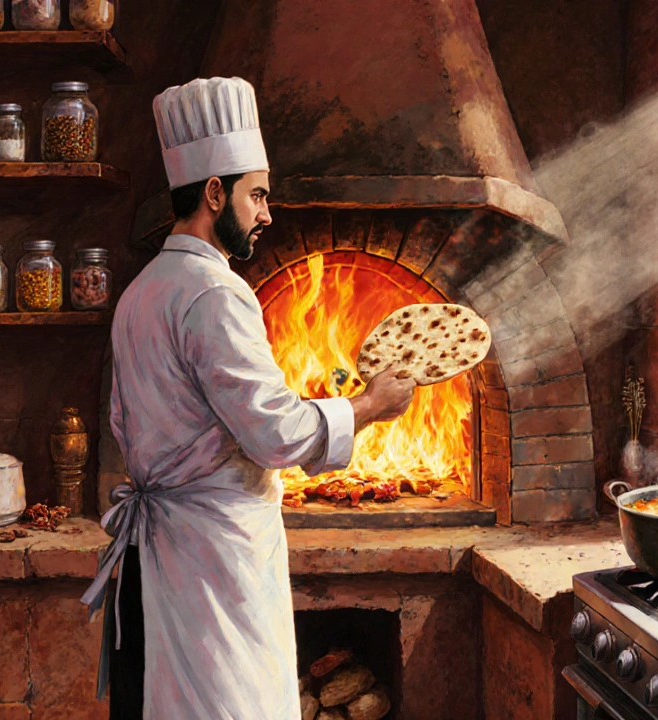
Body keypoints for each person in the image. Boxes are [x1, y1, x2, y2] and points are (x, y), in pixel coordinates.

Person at [80, 76, 417, 720]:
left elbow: (126, 426)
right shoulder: (214, 293)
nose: (267, 213)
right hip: (210, 568)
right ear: (214, 192)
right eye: (257, 194)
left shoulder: (141, 292)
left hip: (154, 564)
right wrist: (371, 405)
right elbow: (277, 435)